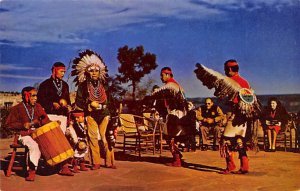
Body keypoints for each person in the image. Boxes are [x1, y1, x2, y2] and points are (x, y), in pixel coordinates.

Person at [71, 49, 111, 170]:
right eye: (91, 71)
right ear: (87, 72)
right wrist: (88, 104)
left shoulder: (105, 85)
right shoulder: (83, 86)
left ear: (100, 72)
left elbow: (111, 101)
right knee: (93, 138)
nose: (94, 73)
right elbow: (78, 101)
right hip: (91, 114)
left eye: (96, 71)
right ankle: (96, 162)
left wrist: (113, 115)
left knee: (105, 137)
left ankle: (109, 161)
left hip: (104, 113)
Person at [5, 86, 51, 181]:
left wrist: (53, 123)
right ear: (26, 96)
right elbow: (8, 124)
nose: (35, 98)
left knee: (50, 142)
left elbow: (45, 120)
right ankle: (32, 170)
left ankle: (56, 165)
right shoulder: (17, 108)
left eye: (36, 96)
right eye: (33, 96)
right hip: (24, 135)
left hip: (37, 133)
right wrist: (22, 125)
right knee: (34, 145)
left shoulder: (38, 107)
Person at [37, 61, 74, 176]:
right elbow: (40, 102)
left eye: (64, 71)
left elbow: (67, 100)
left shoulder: (66, 85)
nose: (63, 74)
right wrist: (52, 104)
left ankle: (63, 166)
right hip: (49, 116)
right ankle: (52, 164)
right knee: (52, 140)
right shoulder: (45, 85)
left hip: (62, 116)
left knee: (61, 139)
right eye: (61, 71)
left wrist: (68, 106)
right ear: (54, 70)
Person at [219, 59, 253, 174]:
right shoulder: (245, 82)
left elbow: (227, 99)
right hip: (244, 117)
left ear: (229, 69)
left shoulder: (229, 82)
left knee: (226, 141)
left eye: (225, 69)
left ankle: (230, 165)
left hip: (234, 115)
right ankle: (244, 166)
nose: (224, 71)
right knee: (239, 141)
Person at [151, 67, 188, 167]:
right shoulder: (177, 86)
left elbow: (155, 94)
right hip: (178, 114)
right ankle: (177, 158)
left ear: (167, 75)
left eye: (162, 75)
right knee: (171, 137)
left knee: (170, 137)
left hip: (175, 115)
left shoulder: (171, 85)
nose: (161, 77)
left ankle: (177, 160)